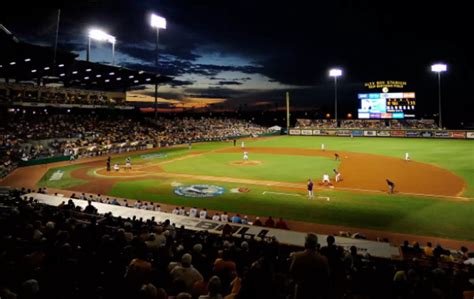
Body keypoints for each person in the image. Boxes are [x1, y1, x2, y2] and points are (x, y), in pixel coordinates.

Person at [289, 233, 329, 299]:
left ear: (306, 243)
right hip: (316, 291)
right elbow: (326, 276)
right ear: (316, 244)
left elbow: (291, 273)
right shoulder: (323, 259)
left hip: (301, 291)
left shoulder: (297, 256)